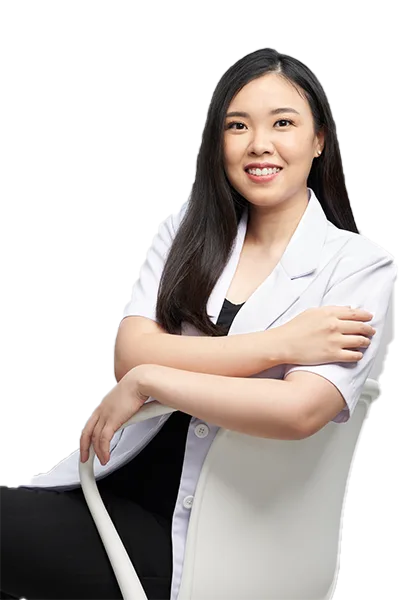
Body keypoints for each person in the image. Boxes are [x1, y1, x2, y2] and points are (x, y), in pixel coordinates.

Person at [0, 47, 397, 600]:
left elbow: (300, 409)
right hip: (109, 495)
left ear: (319, 140)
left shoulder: (357, 265)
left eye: (283, 123)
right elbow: (130, 353)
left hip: (206, 540)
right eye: (238, 126)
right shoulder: (186, 231)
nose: (259, 144)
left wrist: (155, 378)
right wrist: (280, 344)